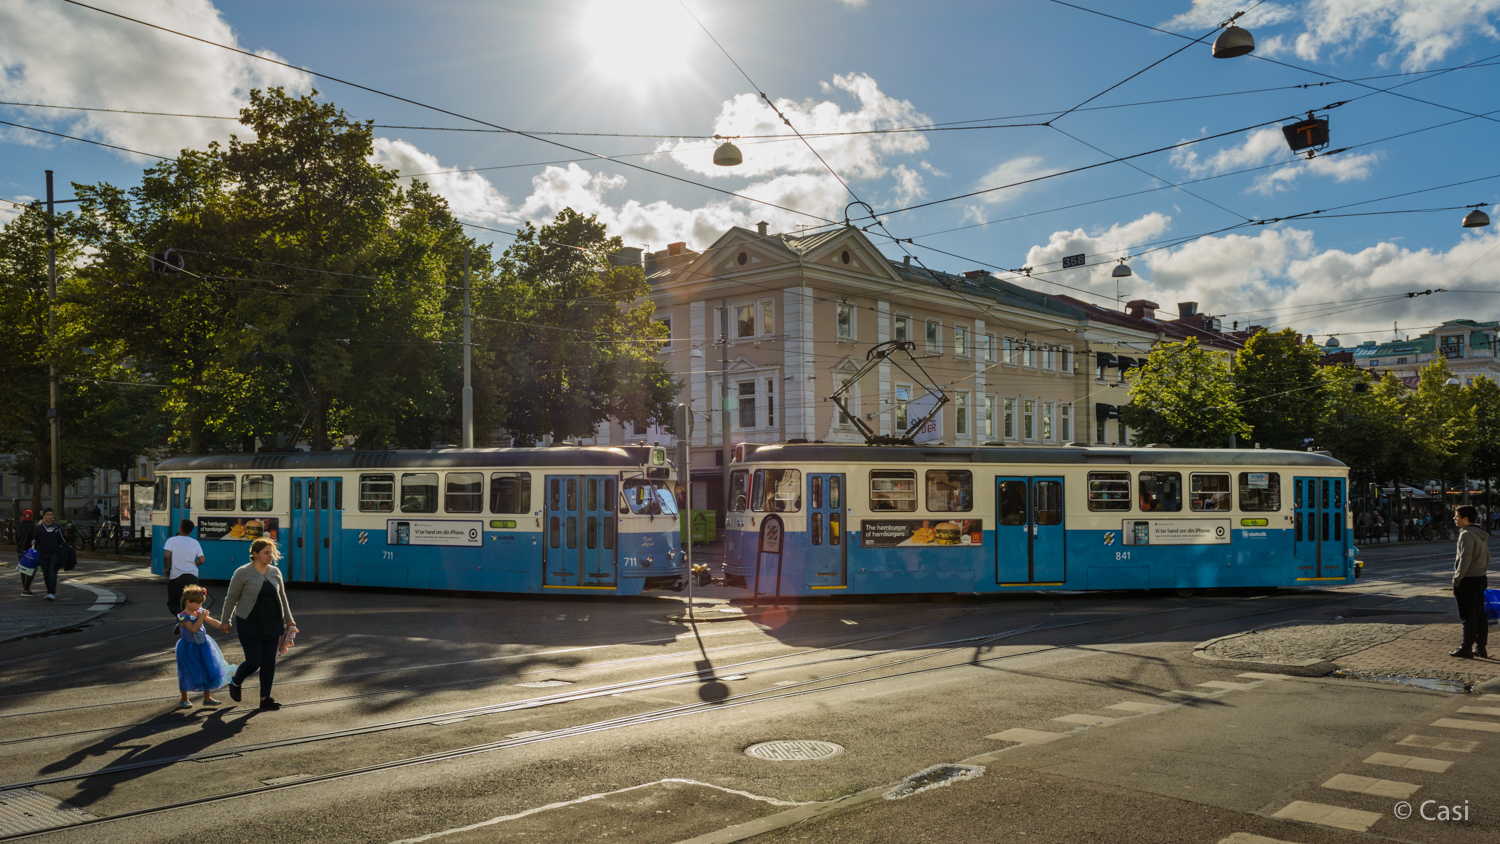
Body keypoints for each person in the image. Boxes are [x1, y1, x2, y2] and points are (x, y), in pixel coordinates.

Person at [219, 537, 297, 711]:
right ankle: (236, 681)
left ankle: (265, 698)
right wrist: (226, 621)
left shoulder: (275, 572)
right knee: (254, 661)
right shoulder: (242, 572)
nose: (270, 556)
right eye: (266, 553)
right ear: (255, 554)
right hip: (249, 623)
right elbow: (231, 598)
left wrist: (289, 619)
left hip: (273, 623)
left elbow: (282, 597)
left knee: (269, 661)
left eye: (272, 553)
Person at [175, 584, 233, 709]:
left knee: (207, 669)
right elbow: (193, 628)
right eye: (197, 603)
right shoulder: (182, 616)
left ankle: (207, 698)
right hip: (188, 648)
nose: (200, 606)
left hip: (203, 645)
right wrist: (201, 618)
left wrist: (222, 626)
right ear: (187, 601)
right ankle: (184, 699)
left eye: (201, 603)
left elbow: (210, 620)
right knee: (187, 671)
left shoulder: (199, 612)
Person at [1450, 505, 1491, 659]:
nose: (1454, 518)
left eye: (1456, 516)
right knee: (1480, 614)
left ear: (1465, 519)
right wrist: (1482, 571)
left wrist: (1457, 578)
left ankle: (1466, 648)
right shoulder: (1480, 534)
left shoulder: (1466, 534)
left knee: (1468, 615)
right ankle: (1481, 647)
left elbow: (1464, 560)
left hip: (1468, 580)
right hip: (1480, 578)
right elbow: (1488, 556)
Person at [163, 520, 206, 618]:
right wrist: (193, 564)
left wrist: (166, 568)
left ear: (179, 528)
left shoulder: (172, 540)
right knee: (190, 603)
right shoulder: (195, 542)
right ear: (191, 532)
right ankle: (187, 622)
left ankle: (181, 618)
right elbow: (202, 560)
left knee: (173, 602)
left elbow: (166, 556)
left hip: (176, 577)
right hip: (192, 576)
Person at [30, 508, 65, 601]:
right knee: (46, 574)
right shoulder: (38, 528)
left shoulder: (57, 527)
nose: (50, 516)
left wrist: (67, 548)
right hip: (43, 553)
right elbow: (35, 539)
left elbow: (61, 540)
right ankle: (49, 591)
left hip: (54, 553)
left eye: (51, 515)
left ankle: (51, 593)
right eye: (48, 515)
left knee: (52, 573)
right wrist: (33, 542)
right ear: (44, 516)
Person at [16, 509, 36, 595]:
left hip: (20, 550)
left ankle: (25, 587)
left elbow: (16, 539)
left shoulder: (19, 526)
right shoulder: (33, 527)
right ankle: (26, 589)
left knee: (23, 569)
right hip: (30, 551)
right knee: (31, 570)